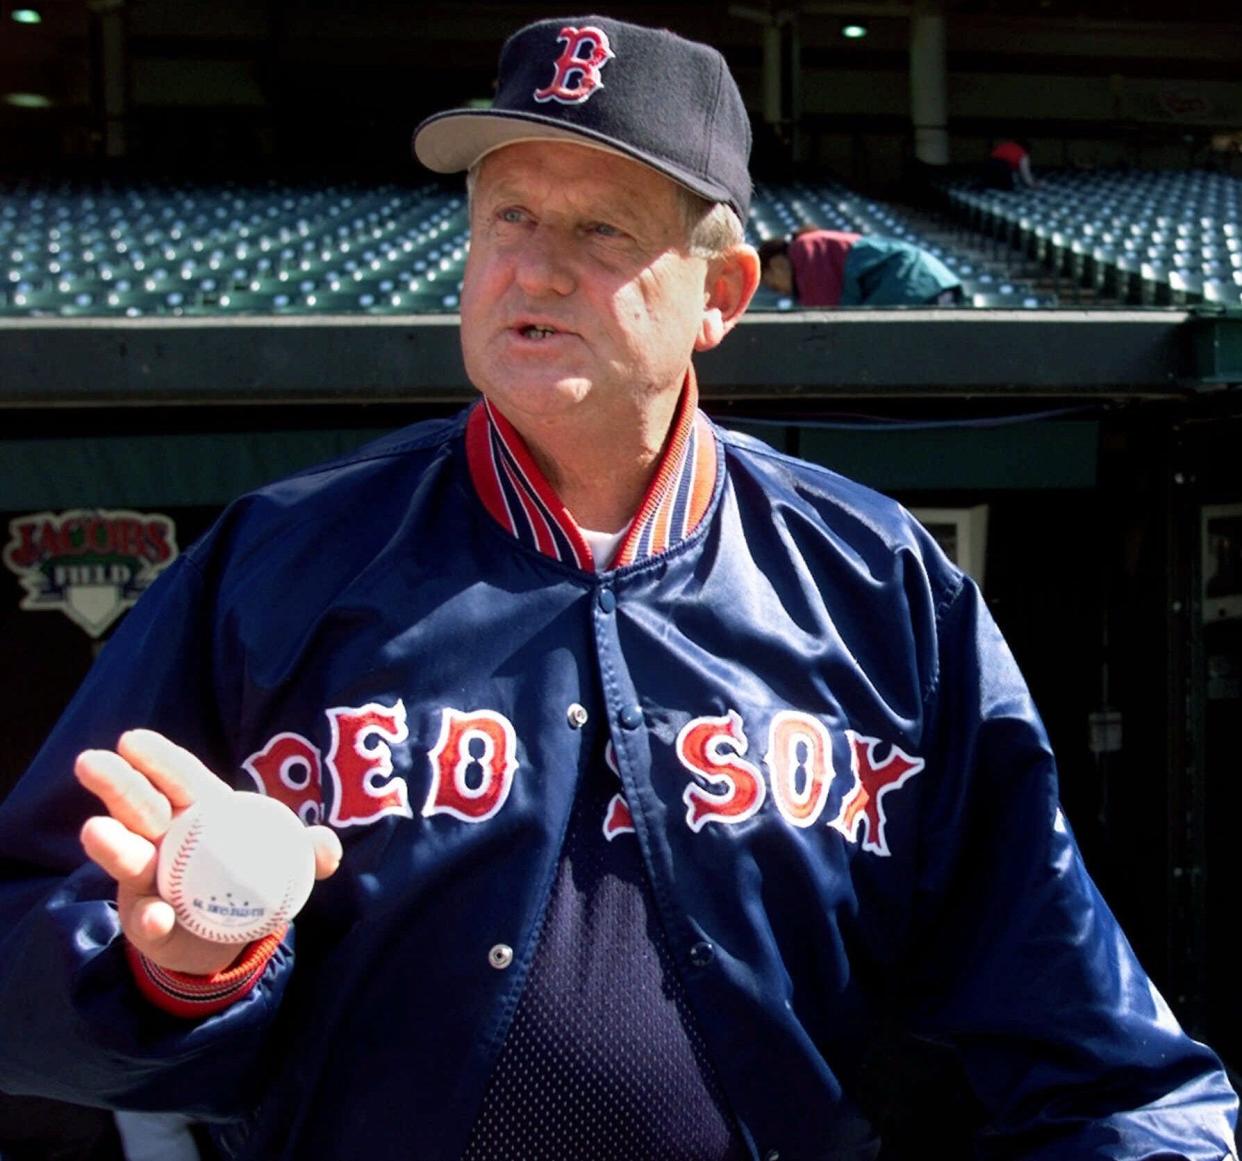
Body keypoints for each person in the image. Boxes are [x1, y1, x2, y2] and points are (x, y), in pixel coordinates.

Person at [0, 14, 1237, 1161]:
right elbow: (29, 944)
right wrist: (176, 977)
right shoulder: (282, 558)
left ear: (724, 296)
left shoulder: (880, 585)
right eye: (506, 220)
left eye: (601, 231)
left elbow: (1089, 1038)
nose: (533, 272)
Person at [757, 226, 963, 306]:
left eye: (772, 284)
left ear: (775, 264)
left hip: (914, 284)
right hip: (935, 281)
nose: (780, 292)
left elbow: (825, 318)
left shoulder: (805, 248)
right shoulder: (812, 243)